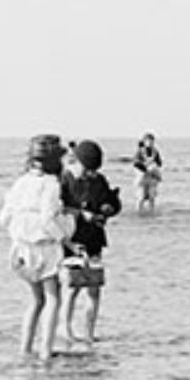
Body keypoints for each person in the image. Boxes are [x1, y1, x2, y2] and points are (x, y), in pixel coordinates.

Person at [0, 135, 76, 360]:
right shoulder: (51, 184)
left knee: (35, 300)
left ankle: (25, 349)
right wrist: (66, 238)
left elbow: (4, 218)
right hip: (43, 248)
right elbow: (48, 220)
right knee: (53, 298)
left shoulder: (20, 182)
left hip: (20, 248)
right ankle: (45, 351)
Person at [60, 140, 121, 348]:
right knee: (72, 287)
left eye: (94, 171)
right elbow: (57, 209)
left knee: (94, 288)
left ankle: (89, 333)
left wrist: (107, 209)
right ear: (77, 161)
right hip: (71, 239)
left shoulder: (99, 180)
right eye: (87, 170)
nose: (90, 174)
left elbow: (113, 203)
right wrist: (79, 213)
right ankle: (66, 330)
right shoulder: (65, 180)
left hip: (95, 238)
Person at [132, 133, 163, 213]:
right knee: (141, 197)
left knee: (152, 197)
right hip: (142, 177)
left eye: (152, 141)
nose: (150, 143)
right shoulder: (140, 151)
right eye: (148, 141)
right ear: (144, 141)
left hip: (152, 177)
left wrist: (155, 169)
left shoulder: (155, 151)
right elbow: (135, 163)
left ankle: (151, 212)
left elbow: (159, 163)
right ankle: (139, 211)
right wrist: (145, 169)